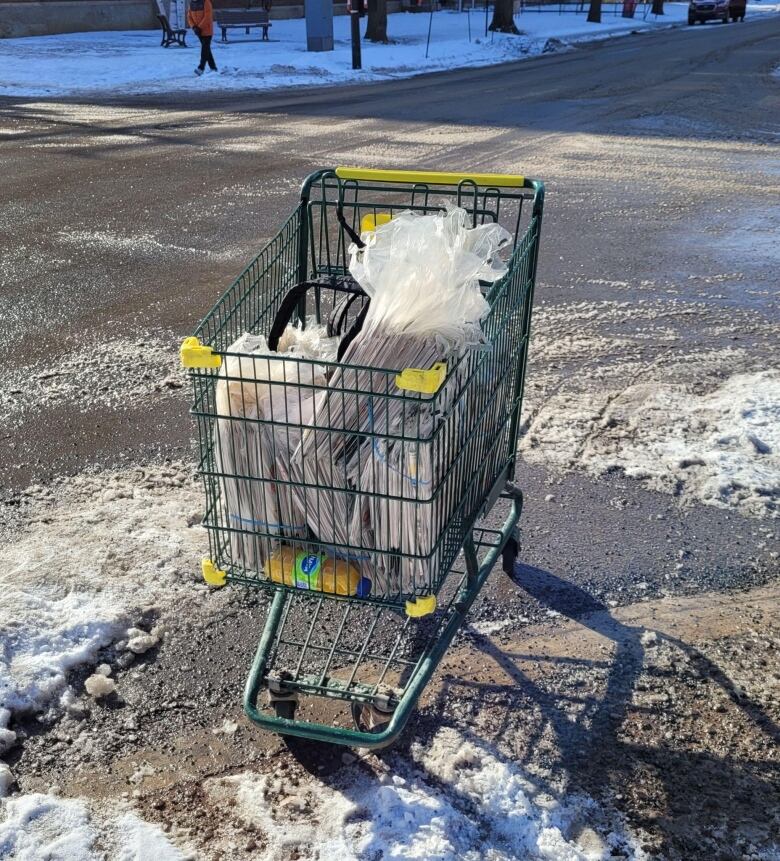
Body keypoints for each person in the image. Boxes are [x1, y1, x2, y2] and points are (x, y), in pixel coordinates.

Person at [188, 0, 217, 76]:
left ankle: (201, 68)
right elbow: (189, 16)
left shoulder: (206, 2)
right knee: (206, 50)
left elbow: (208, 16)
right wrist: (194, 27)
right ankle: (213, 67)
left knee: (204, 49)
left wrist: (199, 27)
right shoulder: (191, 3)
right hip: (198, 31)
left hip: (207, 30)